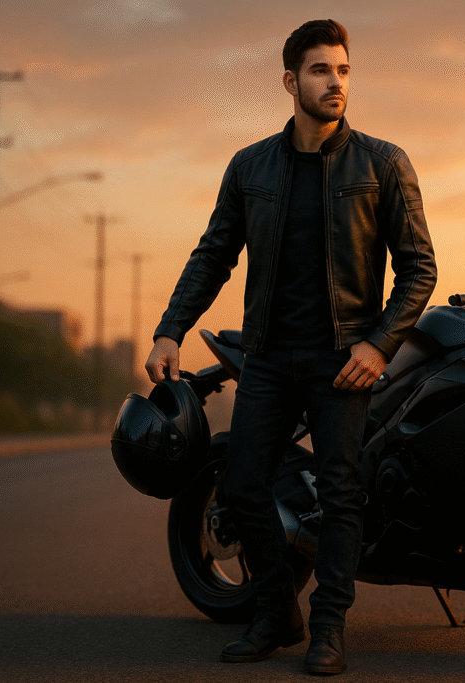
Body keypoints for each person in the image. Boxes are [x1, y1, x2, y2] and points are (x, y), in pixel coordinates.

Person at [144, 19, 436, 676]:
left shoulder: (383, 163)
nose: (335, 83)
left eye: (343, 70)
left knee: (341, 492)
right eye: (319, 71)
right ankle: (278, 610)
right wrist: (171, 327)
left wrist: (379, 344)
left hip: (343, 359)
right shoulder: (251, 168)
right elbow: (213, 254)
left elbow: (419, 267)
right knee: (243, 482)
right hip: (271, 356)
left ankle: (328, 625)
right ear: (290, 82)